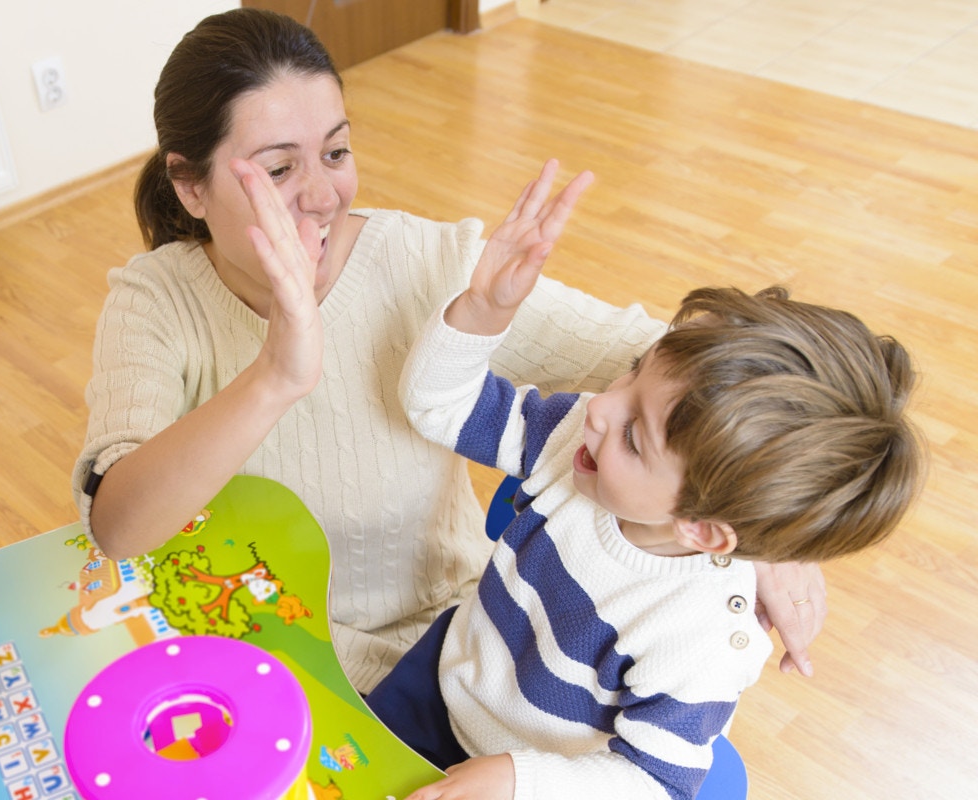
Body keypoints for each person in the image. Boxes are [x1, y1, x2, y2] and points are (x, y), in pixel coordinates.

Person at [72, 7, 825, 695]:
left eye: (335, 152)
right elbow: (119, 527)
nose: (323, 195)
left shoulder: (430, 263)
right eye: (277, 169)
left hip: (456, 652)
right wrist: (275, 375)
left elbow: (680, 361)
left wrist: (763, 523)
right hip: (255, 655)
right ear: (190, 185)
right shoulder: (154, 300)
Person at [365, 172, 923, 800]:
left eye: (635, 434)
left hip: (548, 779)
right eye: (631, 375)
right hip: (441, 689)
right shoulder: (576, 439)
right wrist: (484, 310)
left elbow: (654, 781)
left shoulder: (701, 641)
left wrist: (519, 779)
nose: (600, 407)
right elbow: (439, 407)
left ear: (703, 529)